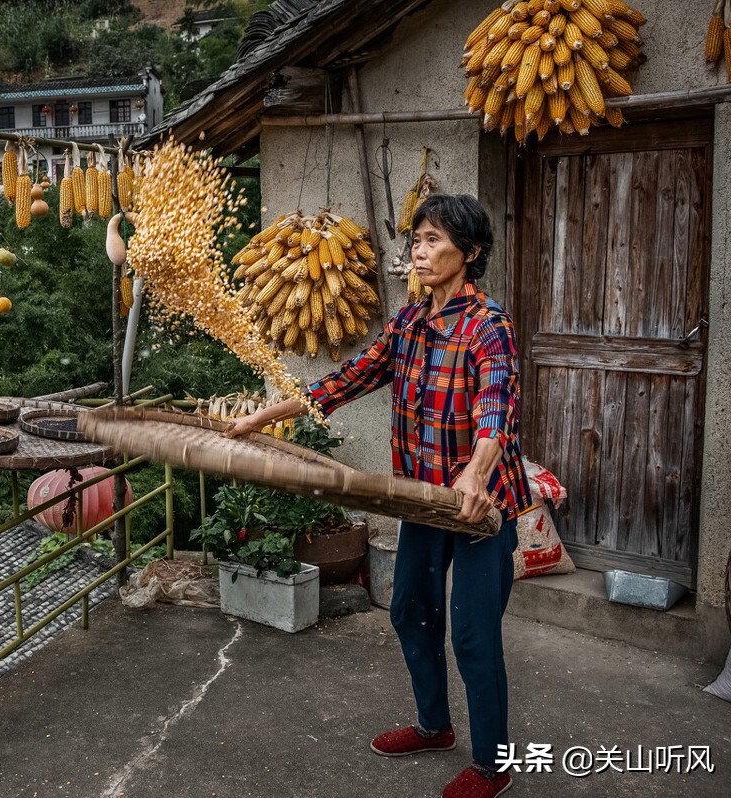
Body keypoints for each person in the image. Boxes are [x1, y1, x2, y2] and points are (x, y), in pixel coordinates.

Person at [228, 194, 531, 798]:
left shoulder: (489, 326)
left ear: (469, 254)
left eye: (434, 242)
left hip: (478, 510)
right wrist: (266, 416)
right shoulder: (407, 324)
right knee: (411, 614)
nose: (419, 252)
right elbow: (344, 381)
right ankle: (434, 726)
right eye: (416, 241)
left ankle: (495, 765)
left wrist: (475, 470)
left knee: (473, 635)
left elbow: (497, 408)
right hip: (421, 501)